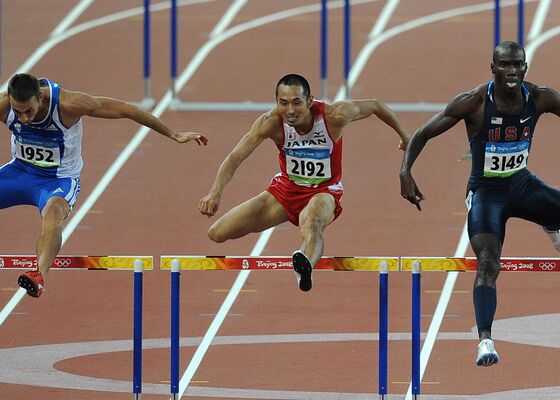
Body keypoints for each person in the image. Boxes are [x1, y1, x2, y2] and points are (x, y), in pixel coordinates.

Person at [399, 41, 560, 366]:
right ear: (493, 68)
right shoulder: (474, 103)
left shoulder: (540, 97)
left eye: (517, 64)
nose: (512, 71)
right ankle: (485, 341)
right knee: (488, 261)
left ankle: (550, 220)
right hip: (487, 194)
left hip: (523, 184)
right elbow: (424, 132)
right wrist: (405, 171)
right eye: (505, 65)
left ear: (525, 67)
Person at [1, 73, 208, 298]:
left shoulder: (69, 105)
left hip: (57, 180)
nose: (23, 119)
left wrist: (174, 134)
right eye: (17, 112)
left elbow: (126, 110)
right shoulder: (5, 104)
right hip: (20, 171)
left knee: (53, 214)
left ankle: (38, 275)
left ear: (40, 97)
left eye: (28, 111)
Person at [199, 73, 409, 291]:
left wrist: (405, 137)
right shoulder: (270, 123)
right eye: (284, 103)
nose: (290, 110)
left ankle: (304, 265)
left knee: (312, 223)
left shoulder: (335, 115)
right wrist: (215, 193)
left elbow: (376, 106)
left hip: (324, 191)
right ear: (276, 102)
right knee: (217, 233)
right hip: (285, 191)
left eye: (297, 102)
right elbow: (236, 156)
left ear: (309, 101)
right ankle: (304, 259)